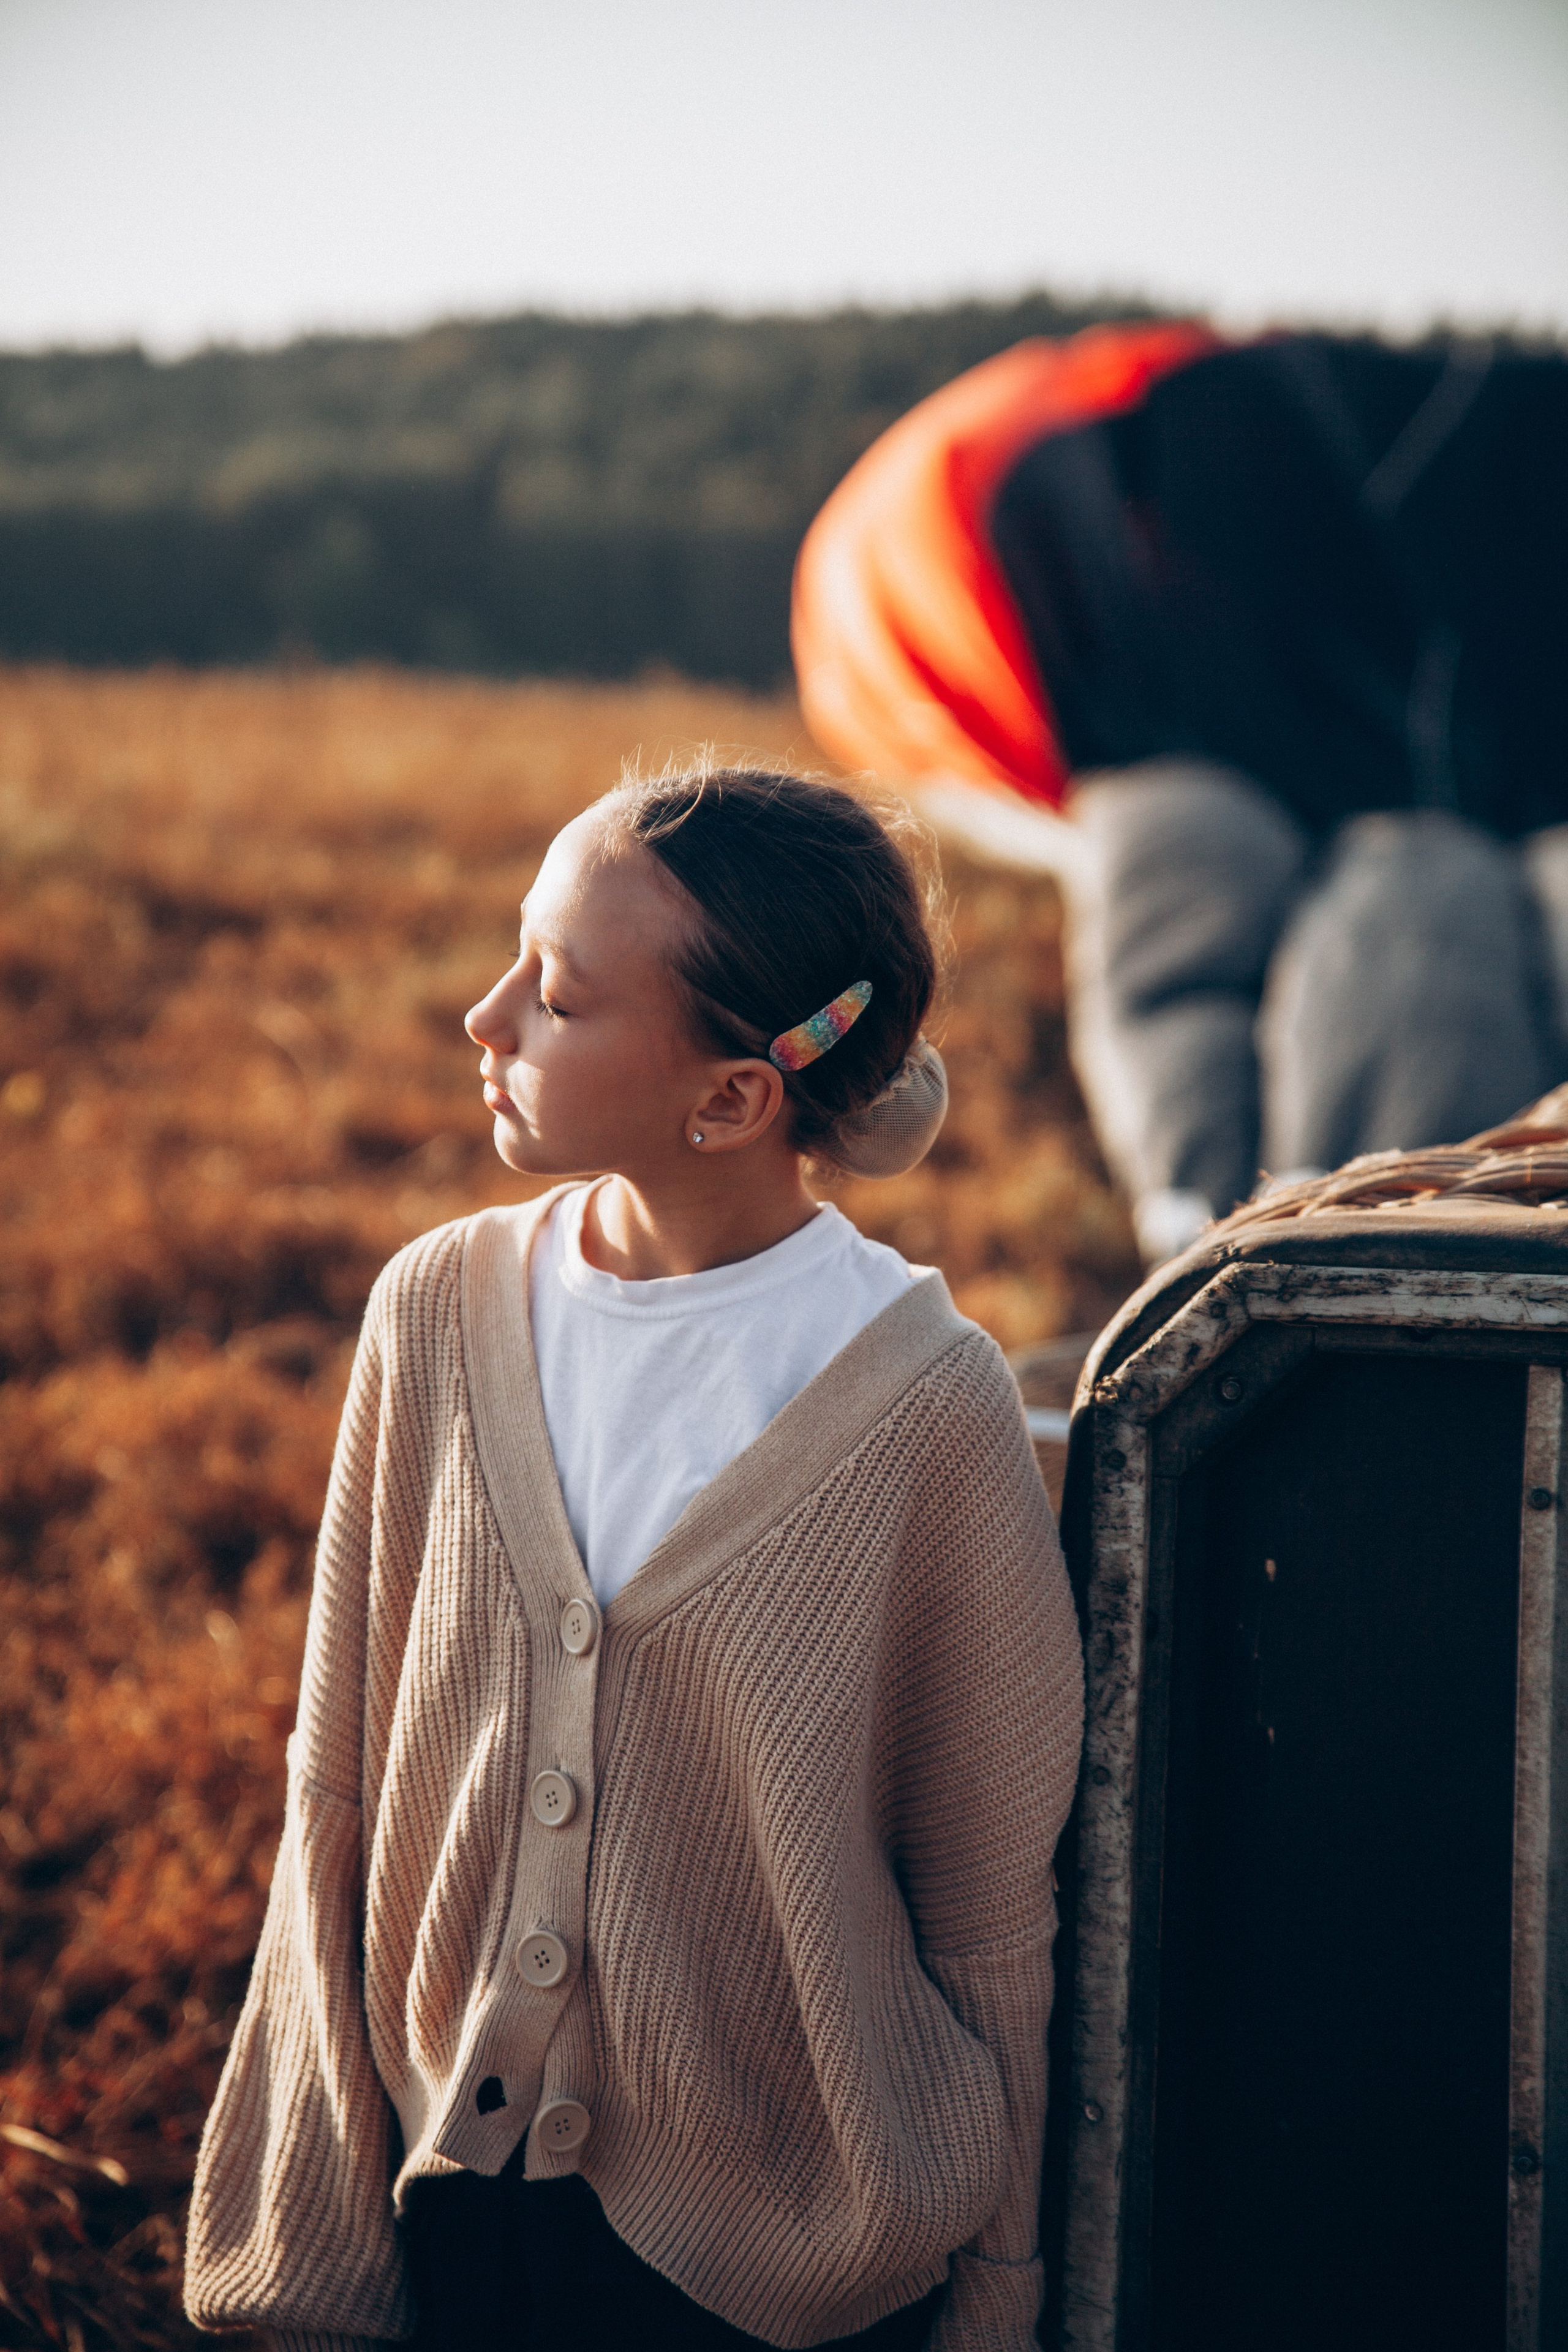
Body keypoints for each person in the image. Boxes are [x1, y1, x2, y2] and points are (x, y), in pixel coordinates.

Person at [183, 764, 1085, 2352]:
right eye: (517, 955)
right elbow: (336, 1805)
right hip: (457, 2211)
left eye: (560, 996)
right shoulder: (434, 1317)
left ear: (734, 1096)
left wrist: (1002, 2302)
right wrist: (310, 2231)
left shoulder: (927, 1407)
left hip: (791, 2279)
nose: (486, 1016)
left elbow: (991, 1920)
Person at [791, 323, 1568, 1264]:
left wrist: (1202, 1225)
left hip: (1047, 532)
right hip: (1045, 545)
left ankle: (1285, 1256)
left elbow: (1177, 972)